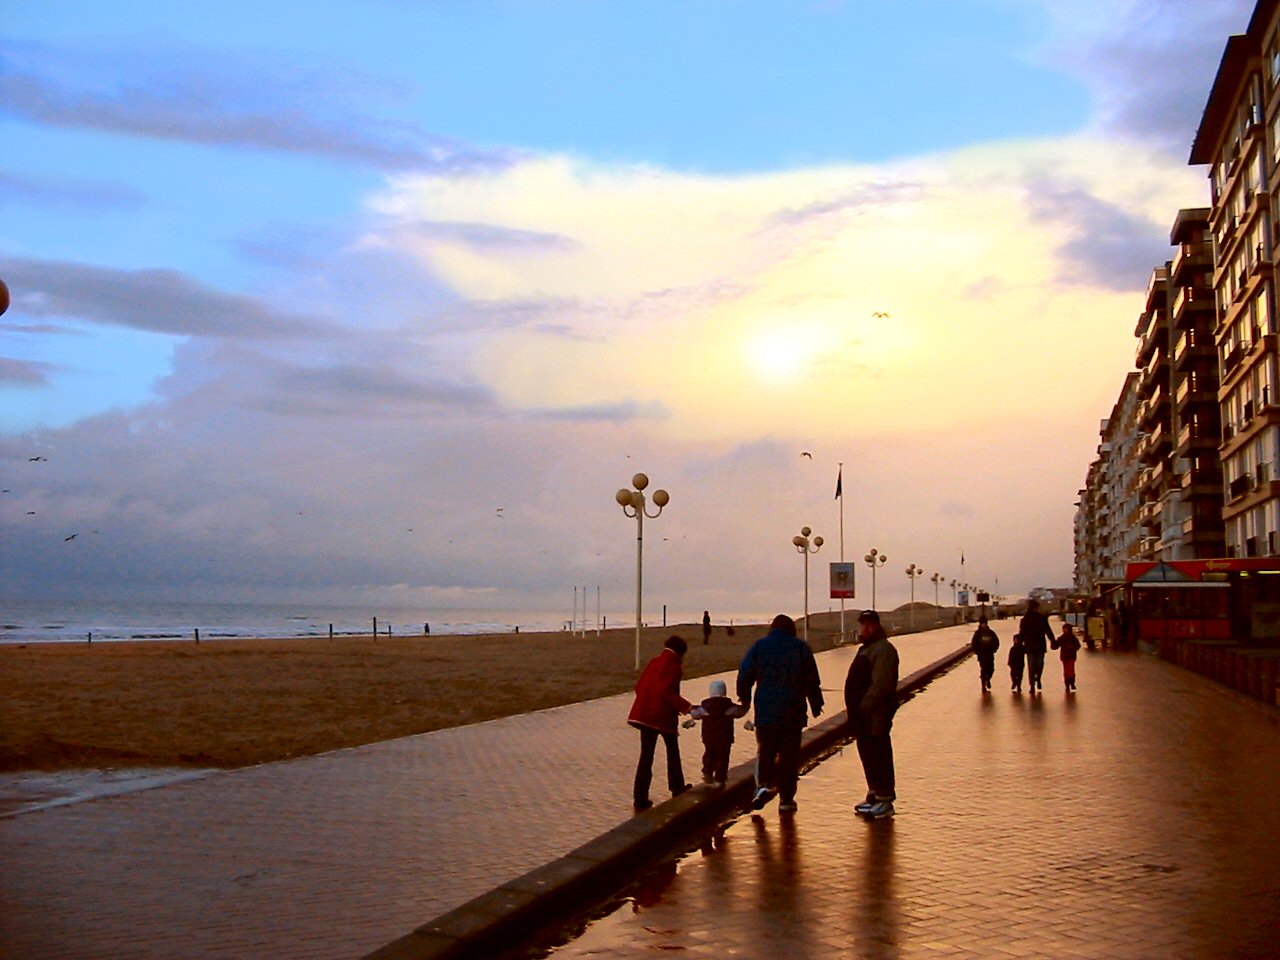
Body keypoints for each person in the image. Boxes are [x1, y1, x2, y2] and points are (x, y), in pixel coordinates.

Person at [736, 614, 824, 814]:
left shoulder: (759, 647)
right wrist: (816, 703)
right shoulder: (801, 648)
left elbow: (745, 673)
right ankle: (786, 799)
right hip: (792, 713)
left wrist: (745, 698)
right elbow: (812, 678)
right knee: (789, 758)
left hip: (766, 712)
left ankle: (763, 786)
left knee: (766, 751)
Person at [844, 610, 899, 820]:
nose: (863, 629)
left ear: (876, 626)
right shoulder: (867, 649)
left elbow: (881, 685)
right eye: (861, 625)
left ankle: (885, 798)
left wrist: (863, 707)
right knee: (868, 754)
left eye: (868, 625)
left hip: (876, 715)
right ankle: (875, 794)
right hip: (863, 717)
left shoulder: (883, 650)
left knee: (879, 753)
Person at [628, 635, 693, 811]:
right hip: (661, 717)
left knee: (646, 756)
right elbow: (666, 692)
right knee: (672, 751)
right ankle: (676, 786)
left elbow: (639, 687)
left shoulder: (654, 662)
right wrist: (687, 707)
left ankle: (640, 798)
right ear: (680, 652)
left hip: (643, 715)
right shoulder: (674, 666)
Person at [683, 679, 749, 786]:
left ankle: (707, 772)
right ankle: (720, 779)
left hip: (709, 737)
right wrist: (746, 703)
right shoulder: (730, 707)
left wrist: (689, 709)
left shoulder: (704, 707)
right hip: (725, 738)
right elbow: (740, 712)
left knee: (709, 754)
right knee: (723, 757)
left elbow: (695, 714)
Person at [1019, 599, 1054, 694]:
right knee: (1034, 665)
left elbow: (1048, 630)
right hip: (1033, 646)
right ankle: (1032, 684)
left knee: (1037, 665)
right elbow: (1022, 633)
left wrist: (1052, 640)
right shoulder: (1026, 620)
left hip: (1036, 645)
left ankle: (1037, 678)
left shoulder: (1040, 618)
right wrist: (1019, 644)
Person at [970, 615, 1000, 691]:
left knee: (991, 669)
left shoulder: (991, 632)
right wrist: (977, 652)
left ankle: (988, 679)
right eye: (982, 623)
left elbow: (996, 642)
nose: (984, 625)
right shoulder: (977, 634)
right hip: (982, 655)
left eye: (985, 623)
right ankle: (983, 684)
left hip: (990, 654)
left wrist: (994, 649)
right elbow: (974, 644)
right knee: (983, 669)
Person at [1052, 622, 1082, 691]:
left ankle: (1071, 682)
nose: (1065, 630)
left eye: (1066, 629)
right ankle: (1067, 684)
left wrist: (1072, 648)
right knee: (1066, 670)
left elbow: (1078, 645)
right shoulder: (1062, 638)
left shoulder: (1072, 638)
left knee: (1071, 670)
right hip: (1065, 656)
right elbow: (1056, 645)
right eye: (1064, 629)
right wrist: (1053, 644)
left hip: (1071, 656)